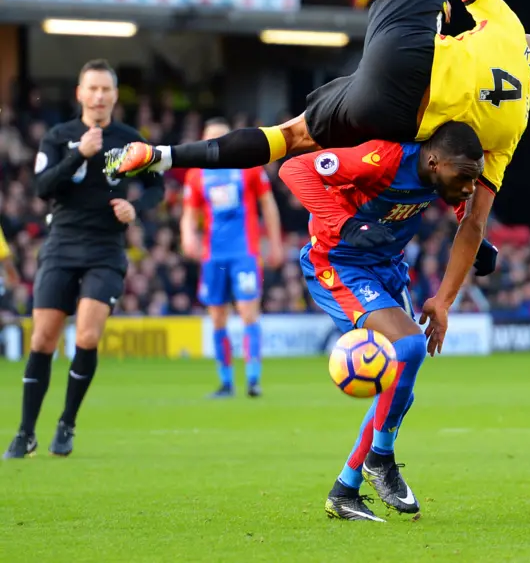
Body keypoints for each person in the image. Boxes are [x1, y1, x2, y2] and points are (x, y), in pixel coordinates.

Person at [105, 0, 530, 305]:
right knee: (289, 137)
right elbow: (473, 214)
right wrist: (457, 277)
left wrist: (444, 12)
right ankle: (162, 156)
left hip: (408, 59)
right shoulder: (515, 125)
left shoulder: (506, 27)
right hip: (393, 117)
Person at [278, 121, 485, 521]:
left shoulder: (442, 175)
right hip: (341, 265)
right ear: (433, 160)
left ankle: (346, 488)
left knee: (399, 392)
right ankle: (381, 457)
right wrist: (346, 224)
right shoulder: (382, 158)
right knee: (408, 346)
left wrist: (481, 240)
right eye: (463, 177)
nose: (470, 187)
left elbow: (463, 203)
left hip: (388, 267)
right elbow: (295, 169)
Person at [3, 60, 164, 460]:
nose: (99, 96)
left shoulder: (130, 139)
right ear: (80, 93)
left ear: (114, 94)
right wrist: (79, 155)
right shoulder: (59, 137)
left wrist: (135, 207)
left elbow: (157, 187)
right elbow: (42, 187)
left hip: (105, 249)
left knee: (87, 337)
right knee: (42, 339)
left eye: (106, 89)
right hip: (61, 244)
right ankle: (25, 432)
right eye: (91, 89)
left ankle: (67, 423)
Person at [180, 119, 283, 398]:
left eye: (220, 138)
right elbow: (189, 213)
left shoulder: (248, 167)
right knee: (217, 318)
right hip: (213, 256)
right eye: (209, 138)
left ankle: (253, 379)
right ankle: (226, 382)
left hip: (244, 253)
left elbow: (268, 205)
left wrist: (274, 243)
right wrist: (188, 235)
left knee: (249, 314)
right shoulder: (196, 174)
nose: (214, 143)